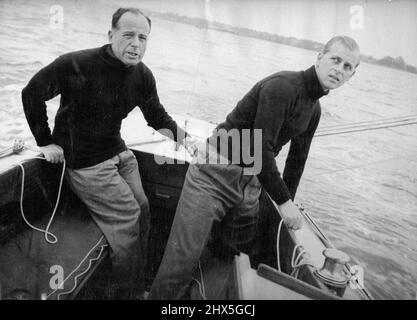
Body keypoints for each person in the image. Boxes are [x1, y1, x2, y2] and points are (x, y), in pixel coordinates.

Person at [149, 35, 361, 299]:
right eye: (335, 60)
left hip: (251, 182)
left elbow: (297, 160)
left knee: (231, 258)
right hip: (214, 173)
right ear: (319, 57)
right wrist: (283, 202)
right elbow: (260, 148)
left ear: (352, 76)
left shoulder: (314, 109)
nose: (339, 69)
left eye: (348, 67)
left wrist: (289, 204)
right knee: (181, 259)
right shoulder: (283, 87)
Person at [21, 7, 195, 299]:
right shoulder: (77, 63)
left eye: (143, 37)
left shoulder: (142, 75)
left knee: (144, 208)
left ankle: (139, 282)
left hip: (118, 152)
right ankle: (127, 293)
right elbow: (32, 92)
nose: (136, 43)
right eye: (128, 35)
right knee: (128, 219)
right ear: (110, 34)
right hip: (86, 162)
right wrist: (45, 141)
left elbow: (157, 116)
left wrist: (187, 141)